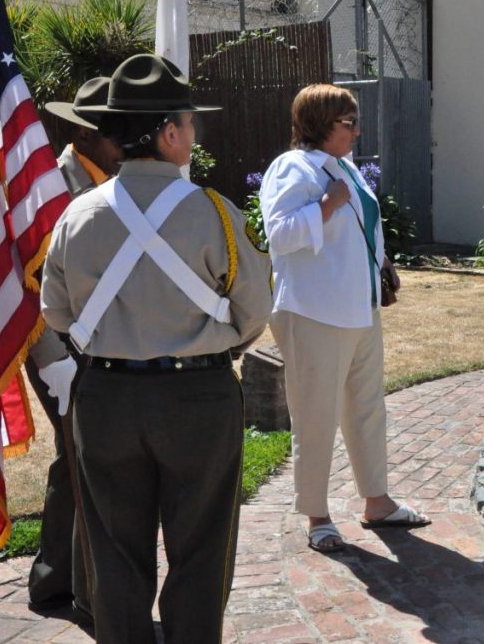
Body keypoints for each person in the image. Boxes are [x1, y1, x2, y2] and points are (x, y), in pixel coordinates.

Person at [40, 53, 273, 644]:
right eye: (190, 123)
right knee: (201, 549)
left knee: (114, 554)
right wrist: (211, 344)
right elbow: (254, 313)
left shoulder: (76, 216)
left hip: (106, 397)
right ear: (169, 132)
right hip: (198, 398)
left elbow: (57, 313)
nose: (194, 133)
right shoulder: (215, 213)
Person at [259, 83, 430, 554]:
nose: (356, 131)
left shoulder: (345, 167)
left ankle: (377, 502)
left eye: (356, 121)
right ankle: (317, 516)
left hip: (359, 308)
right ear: (319, 124)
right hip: (314, 312)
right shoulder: (292, 167)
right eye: (348, 122)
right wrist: (327, 204)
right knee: (316, 415)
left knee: (367, 407)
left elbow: (360, 226)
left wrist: (382, 261)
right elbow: (279, 236)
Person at [26, 76, 122, 621]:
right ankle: (72, 585)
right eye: (113, 131)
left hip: (99, 343)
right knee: (79, 457)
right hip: (59, 347)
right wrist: (52, 360)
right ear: (84, 134)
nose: (123, 140)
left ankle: (61, 579)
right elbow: (31, 281)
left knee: (84, 457)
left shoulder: (113, 179)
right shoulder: (53, 187)